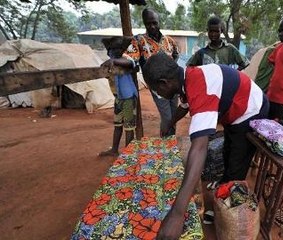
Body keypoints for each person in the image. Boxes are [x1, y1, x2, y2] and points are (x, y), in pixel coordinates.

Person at [142, 53, 269, 240]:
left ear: (164, 83)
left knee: (236, 164)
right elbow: (184, 105)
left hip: (251, 112)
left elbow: (199, 148)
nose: (158, 94)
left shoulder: (200, 88)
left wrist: (177, 214)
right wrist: (169, 122)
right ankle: (221, 201)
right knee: (228, 152)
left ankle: (230, 214)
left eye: (155, 91)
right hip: (234, 113)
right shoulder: (185, 78)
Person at [127, 8, 180, 137]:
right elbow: (130, 58)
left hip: (173, 83)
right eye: (148, 23)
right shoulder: (138, 40)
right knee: (167, 117)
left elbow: (176, 55)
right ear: (144, 23)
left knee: (174, 115)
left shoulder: (169, 40)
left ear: (159, 22)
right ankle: (166, 143)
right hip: (157, 86)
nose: (152, 26)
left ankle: (169, 141)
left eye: (154, 23)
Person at [99, 36, 139, 157]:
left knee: (129, 126)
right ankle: (114, 149)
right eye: (113, 49)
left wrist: (114, 61)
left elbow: (131, 63)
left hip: (128, 98)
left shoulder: (125, 59)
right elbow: (102, 70)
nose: (116, 51)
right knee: (117, 125)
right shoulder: (109, 63)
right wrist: (109, 63)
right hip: (118, 98)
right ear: (109, 51)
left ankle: (129, 153)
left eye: (118, 49)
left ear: (122, 50)